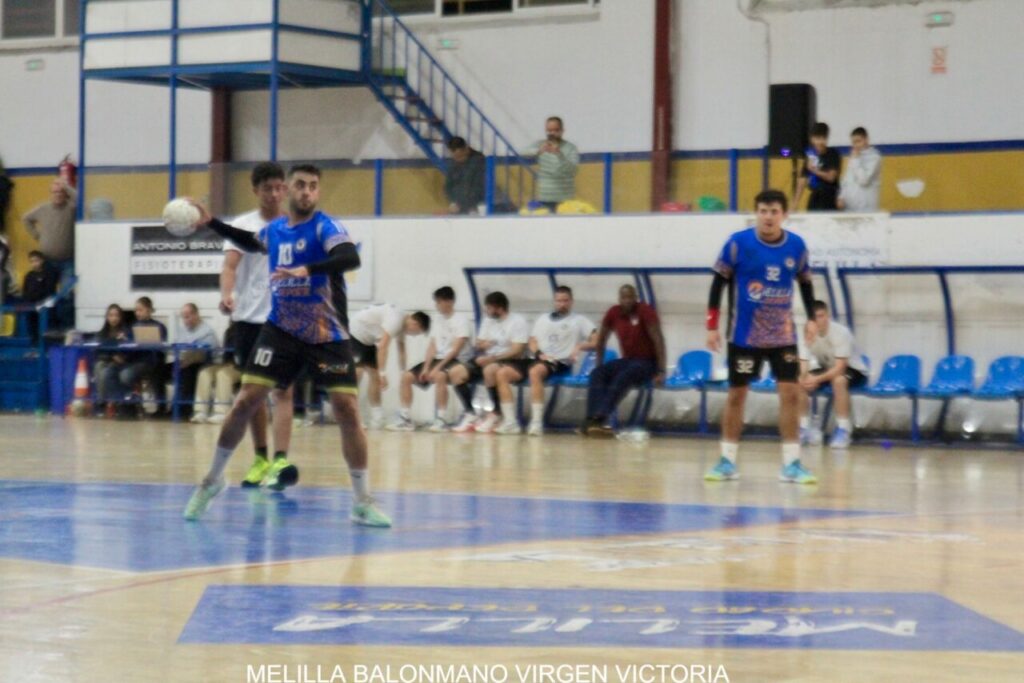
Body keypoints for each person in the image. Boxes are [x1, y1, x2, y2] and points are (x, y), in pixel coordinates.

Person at [183, 164, 391, 527]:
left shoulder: (325, 227)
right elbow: (250, 241)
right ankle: (212, 480)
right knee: (246, 400)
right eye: (300, 185)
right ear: (288, 190)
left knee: (347, 410)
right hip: (281, 330)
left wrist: (307, 270)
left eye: (313, 186)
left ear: (317, 192)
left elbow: (349, 257)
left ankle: (362, 500)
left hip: (327, 332)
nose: (307, 191)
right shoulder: (276, 230)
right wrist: (212, 222)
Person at [705, 189, 819, 484]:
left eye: (774, 212)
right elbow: (718, 283)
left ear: (784, 215)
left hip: (783, 335)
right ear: (756, 213)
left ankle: (792, 463)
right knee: (736, 395)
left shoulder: (796, 246)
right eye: (763, 211)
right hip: (744, 335)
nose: (768, 217)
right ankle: (727, 461)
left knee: (790, 394)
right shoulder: (737, 244)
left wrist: (810, 318)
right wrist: (711, 325)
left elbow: (806, 283)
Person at [219, 161, 297, 488]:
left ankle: (280, 460)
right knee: (253, 394)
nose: (274, 194)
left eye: (279, 188)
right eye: (268, 189)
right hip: (249, 320)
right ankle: (261, 457)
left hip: (285, 321)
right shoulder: (243, 226)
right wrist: (227, 295)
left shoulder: (296, 226)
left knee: (283, 391)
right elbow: (230, 267)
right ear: (255, 190)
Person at [494, 285, 597, 436]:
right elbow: (532, 341)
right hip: (538, 358)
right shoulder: (543, 319)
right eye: (559, 301)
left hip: (559, 361)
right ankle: (510, 422)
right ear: (554, 301)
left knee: (535, 371)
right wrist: (539, 353)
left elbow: (596, 341)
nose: (562, 304)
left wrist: (580, 346)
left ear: (571, 301)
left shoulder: (579, 320)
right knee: (502, 373)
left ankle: (536, 423)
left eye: (565, 300)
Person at [583, 284, 666, 437]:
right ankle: (590, 421)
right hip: (628, 360)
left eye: (630, 297)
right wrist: (599, 365)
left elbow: (658, 340)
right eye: (624, 297)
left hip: (648, 362)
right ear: (619, 299)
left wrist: (661, 371)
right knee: (597, 373)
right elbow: (601, 340)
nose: (627, 300)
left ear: (636, 298)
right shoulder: (613, 312)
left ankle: (600, 417)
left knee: (624, 376)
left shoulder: (645, 311)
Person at [389, 286, 473, 432]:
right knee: (407, 376)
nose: (437, 305)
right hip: (438, 359)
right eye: (436, 302)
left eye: (439, 302)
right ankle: (405, 418)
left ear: (450, 302)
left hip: (455, 360)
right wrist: (427, 367)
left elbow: (455, 350)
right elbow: (432, 346)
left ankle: (441, 419)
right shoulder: (438, 320)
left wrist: (437, 368)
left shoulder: (461, 321)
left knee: (439, 375)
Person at [449, 291, 530, 435]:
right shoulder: (488, 320)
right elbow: (479, 343)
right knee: (455, 372)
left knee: (490, 370)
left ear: (499, 308)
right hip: (487, 357)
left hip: (508, 359)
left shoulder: (518, 321)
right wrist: (484, 345)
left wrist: (493, 358)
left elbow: (517, 350)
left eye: (489, 308)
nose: (487, 311)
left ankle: (496, 413)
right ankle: (470, 413)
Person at [798, 300, 868, 449]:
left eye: (821, 316)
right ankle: (804, 428)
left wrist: (816, 379)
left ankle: (844, 430)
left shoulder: (841, 332)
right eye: (815, 317)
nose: (819, 320)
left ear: (827, 315)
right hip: (828, 367)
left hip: (853, 369)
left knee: (839, 381)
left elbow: (840, 367)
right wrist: (804, 377)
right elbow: (803, 363)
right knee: (799, 382)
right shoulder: (808, 333)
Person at [349, 303, 430, 429]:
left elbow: (401, 349)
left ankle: (377, 417)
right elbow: (383, 346)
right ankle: (352, 417)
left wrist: (403, 372)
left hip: (369, 341)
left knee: (374, 377)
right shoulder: (396, 319)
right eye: (416, 333)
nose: (413, 336)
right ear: (415, 324)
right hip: (355, 334)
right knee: (357, 373)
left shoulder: (402, 325)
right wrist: (383, 373)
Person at [174, 303, 219, 420]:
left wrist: (190, 360)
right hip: (183, 360)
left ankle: (185, 409)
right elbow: (177, 346)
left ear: (196, 315)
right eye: (183, 317)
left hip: (201, 362)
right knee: (159, 370)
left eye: (187, 317)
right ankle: (164, 408)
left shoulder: (207, 331)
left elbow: (210, 351)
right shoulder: (181, 330)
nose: (185, 320)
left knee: (187, 372)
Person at [191, 323, 241, 424]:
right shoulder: (229, 331)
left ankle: (221, 412)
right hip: (228, 364)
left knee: (223, 374)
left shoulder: (252, 329)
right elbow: (226, 354)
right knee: (205, 373)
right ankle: (201, 411)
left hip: (243, 367)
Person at [530, 116, 580, 211]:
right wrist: (538, 151)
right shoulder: (539, 145)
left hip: (565, 199)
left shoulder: (571, 148)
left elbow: (573, 170)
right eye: (549, 130)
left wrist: (559, 154)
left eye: (556, 130)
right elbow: (523, 154)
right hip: (545, 198)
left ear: (562, 131)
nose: (552, 133)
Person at [94, 303, 131, 416]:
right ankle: (102, 401)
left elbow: (129, 350)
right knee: (99, 367)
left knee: (106, 372)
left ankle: (113, 402)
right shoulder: (102, 333)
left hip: (121, 362)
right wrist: (111, 355)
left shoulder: (126, 332)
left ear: (120, 317)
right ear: (107, 317)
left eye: (116, 315)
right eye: (111, 315)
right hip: (106, 360)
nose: (114, 318)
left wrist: (123, 341)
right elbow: (99, 349)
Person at [794, 122, 841, 211]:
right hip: (815, 196)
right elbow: (802, 180)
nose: (821, 142)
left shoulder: (833, 154)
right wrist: (795, 204)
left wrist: (814, 170)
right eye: (818, 138)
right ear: (812, 139)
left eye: (824, 138)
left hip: (830, 197)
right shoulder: (810, 156)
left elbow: (831, 177)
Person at [838, 127, 882, 212]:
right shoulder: (854, 156)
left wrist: (856, 159)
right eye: (853, 142)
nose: (856, 145)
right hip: (849, 207)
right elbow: (846, 180)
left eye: (858, 141)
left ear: (867, 139)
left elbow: (864, 180)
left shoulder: (874, 157)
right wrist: (841, 197)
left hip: (866, 209)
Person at [20, 250, 59, 341]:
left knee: (45, 324)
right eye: (32, 261)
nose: (34, 263)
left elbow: (50, 290)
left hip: (44, 304)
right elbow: (25, 290)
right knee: (32, 324)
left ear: (42, 260)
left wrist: (42, 301)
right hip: (31, 305)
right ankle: (34, 340)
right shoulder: (29, 275)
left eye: (36, 261)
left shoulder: (48, 274)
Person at [444, 137, 486, 215]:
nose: (458, 160)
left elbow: (478, 186)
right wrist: (453, 202)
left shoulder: (478, 161)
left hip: (476, 205)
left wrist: (468, 204)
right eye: (455, 157)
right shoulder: (453, 164)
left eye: (461, 156)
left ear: (466, 150)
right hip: (459, 205)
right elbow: (448, 185)